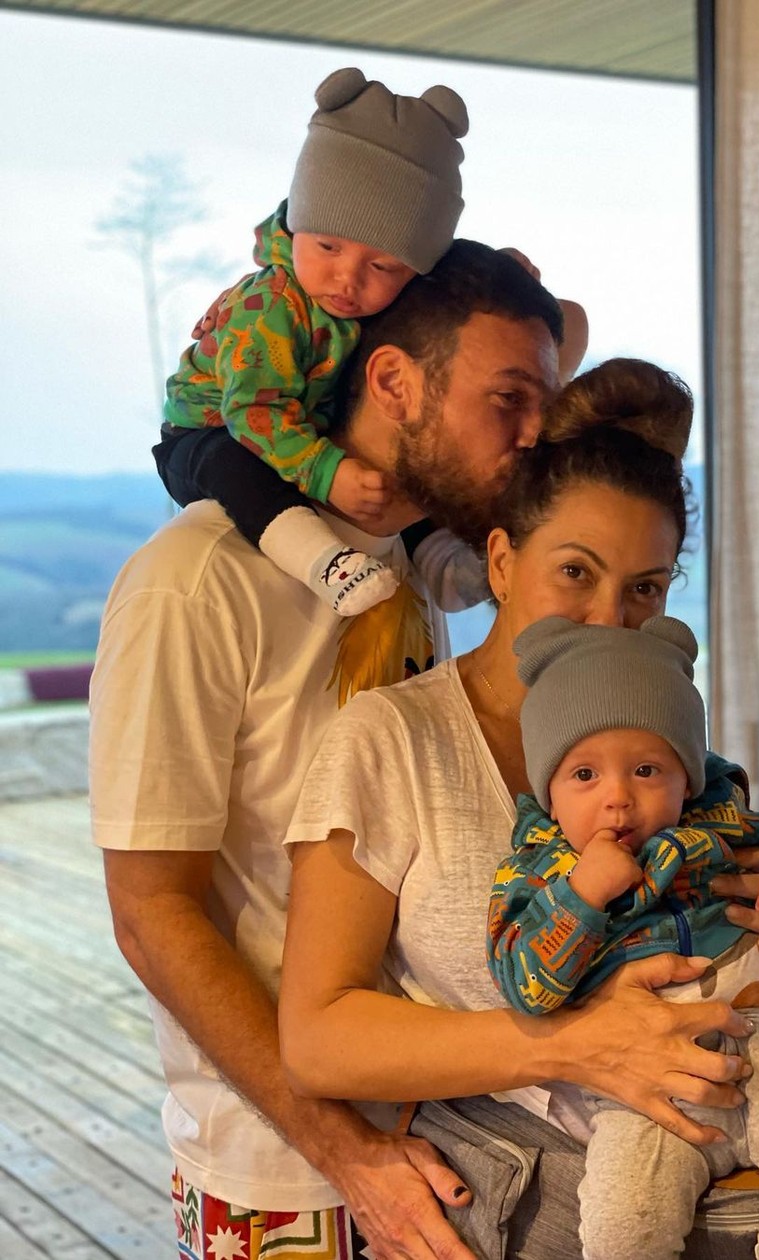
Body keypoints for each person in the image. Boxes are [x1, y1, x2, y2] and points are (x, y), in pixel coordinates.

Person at [278, 359, 759, 1259]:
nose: (608, 620)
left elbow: (751, 884)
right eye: (575, 571)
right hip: (532, 1200)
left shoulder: (674, 751)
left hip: (729, 1172)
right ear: (502, 561)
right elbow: (317, 1038)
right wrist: (571, 1043)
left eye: (646, 589)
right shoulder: (394, 739)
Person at [91, 240, 572, 1260]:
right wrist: (341, 1148)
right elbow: (148, 911)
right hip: (281, 1166)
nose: (534, 438)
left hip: (445, 1131)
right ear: (394, 380)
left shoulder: (403, 558)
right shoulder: (196, 578)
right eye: (509, 399)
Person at [486, 612, 759, 1260]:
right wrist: (583, 896)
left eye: (647, 770)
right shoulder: (536, 872)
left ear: (687, 777)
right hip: (642, 1090)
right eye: (585, 775)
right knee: (622, 1222)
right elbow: (522, 982)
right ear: (550, 794)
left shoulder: (723, 821)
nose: (618, 798)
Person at [155, 67, 588, 619]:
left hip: (304, 416)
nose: (348, 281)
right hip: (215, 428)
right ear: (298, 225)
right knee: (239, 471)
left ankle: (439, 558)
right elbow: (254, 412)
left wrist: (499, 275)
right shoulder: (269, 312)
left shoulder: (374, 304)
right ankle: (321, 560)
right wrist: (324, 471)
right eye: (327, 246)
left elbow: (548, 323)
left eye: (383, 264)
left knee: (427, 450)